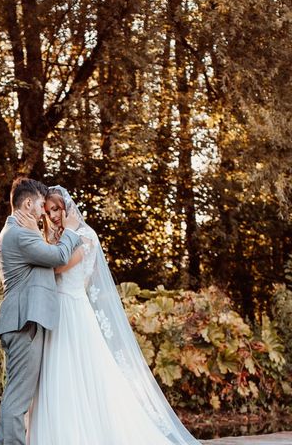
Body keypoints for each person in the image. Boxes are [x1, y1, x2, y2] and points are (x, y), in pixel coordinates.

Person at [17, 185, 200, 445]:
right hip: (56, 312)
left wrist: (32, 247)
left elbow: (58, 267)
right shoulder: (58, 238)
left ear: (67, 207)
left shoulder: (84, 236)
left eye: (56, 209)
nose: (53, 215)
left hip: (74, 311)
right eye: (48, 211)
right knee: (58, 378)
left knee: (82, 373)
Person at [0, 177, 82, 445]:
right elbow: (58, 257)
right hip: (25, 323)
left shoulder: (20, 231)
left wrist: (38, 229)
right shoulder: (19, 234)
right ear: (28, 203)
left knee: (19, 395)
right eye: (42, 204)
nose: (45, 211)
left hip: (23, 321)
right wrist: (72, 231)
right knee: (18, 399)